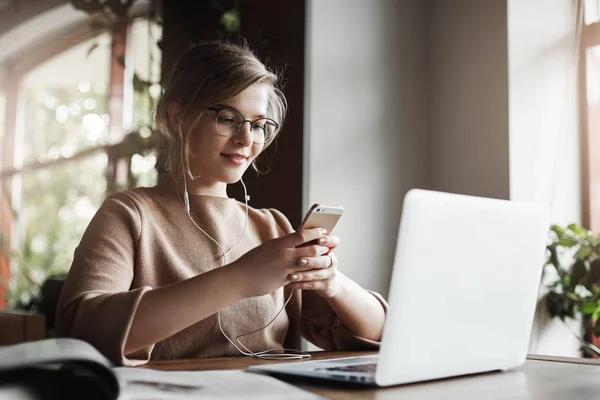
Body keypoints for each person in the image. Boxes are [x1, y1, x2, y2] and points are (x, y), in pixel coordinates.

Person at [55, 42, 387, 366]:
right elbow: (81, 332)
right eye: (228, 118)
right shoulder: (130, 214)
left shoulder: (272, 227)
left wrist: (333, 283)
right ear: (178, 117)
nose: (246, 139)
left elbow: (382, 333)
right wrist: (241, 278)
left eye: (258, 125)